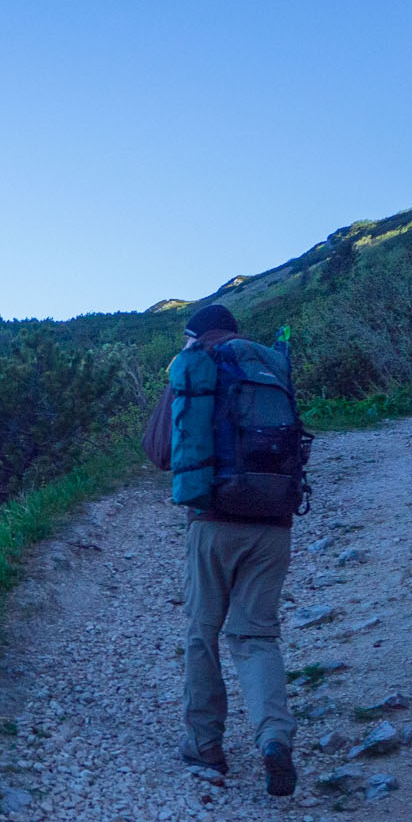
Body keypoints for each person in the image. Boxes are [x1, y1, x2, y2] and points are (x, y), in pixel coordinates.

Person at [172, 304, 298, 796]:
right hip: (274, 523)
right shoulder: (267, 366)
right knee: (256, 637)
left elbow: (163, 449)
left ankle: (205, 744)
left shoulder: (198, 368)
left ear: (195, 334)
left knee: (203, 630)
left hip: (213, 522)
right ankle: (273, 739)